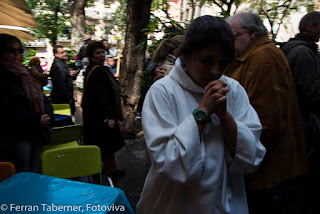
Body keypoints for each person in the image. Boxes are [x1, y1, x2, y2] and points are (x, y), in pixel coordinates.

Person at [136, 16, 266, 214]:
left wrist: (225, 116)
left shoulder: (233, 90)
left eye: (223, 63)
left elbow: (251, 157)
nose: (215, 71)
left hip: (224, 202)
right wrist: (203, 111)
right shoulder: (163, 91)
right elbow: (168, 162)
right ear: (186, 56)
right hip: (173, 204)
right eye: (206, 61)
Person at [226, 12, 308, 214]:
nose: (230, 44)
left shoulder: (263, 59)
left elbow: (265, 124)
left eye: (233, 37)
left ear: (252, 33)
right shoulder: (252, 57)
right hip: (256, 165)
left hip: (262, 169)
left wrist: (244, 155)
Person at [281, 11, 320, 214]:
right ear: (310, 27)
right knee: (299, 172)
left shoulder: (292, 49)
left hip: (294, 118)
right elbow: (311, 92)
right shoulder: (304, 53)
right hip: (302, 119)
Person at [0, 34, 53, 172]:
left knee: (35, 170)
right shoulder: (3, 76)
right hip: (16, 135)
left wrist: (47, 114)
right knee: (22, 172)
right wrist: (37, 118)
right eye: (11, 50)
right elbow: (7, 109)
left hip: (36, 131)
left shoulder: (25, 73)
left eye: (19, 50)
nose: (16, 54)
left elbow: (41, 98)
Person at [82, 41, 125, 177]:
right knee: (106, 145)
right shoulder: (98, 71)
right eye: (97, 53)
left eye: (102, 52)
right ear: (91, 55)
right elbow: (102, 95)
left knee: (99, 144)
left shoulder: (93, 68)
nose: (101, 55)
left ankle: (96, 170)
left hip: (94, 116)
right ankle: (110, 171)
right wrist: (110, 116)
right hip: (101, 117)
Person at [50, 45, 75, 114]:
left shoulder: (60, 64)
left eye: (64, 52)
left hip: (64, 97)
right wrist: (67, 99)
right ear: (56, 54)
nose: (65, 54)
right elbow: (60, 84)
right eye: (62, 52)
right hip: (62, 99)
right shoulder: (58, 66)